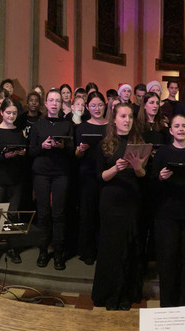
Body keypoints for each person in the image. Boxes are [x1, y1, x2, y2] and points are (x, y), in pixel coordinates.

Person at [92, 102, 149, 311]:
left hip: (132, 199)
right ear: (114, 119)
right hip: (110, 200)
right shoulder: (105, 145)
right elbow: (100, 177)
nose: (127, 120)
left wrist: (137, 168)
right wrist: (115, 168)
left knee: (129, 246)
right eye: (123, 116)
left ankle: (126, 293)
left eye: (130, 117)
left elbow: (144, 176)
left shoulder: (139, 142)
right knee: (111, 247)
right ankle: (109, 294)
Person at [151, 114, 185, 307]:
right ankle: (168, 303)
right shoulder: (163, 153)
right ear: (171, 130)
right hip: (166, 215)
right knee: (167, 260)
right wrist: (159, 177)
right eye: (177, 126)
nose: (181, 129)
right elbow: (151, 184)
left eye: (184, 126)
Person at [29, 89, 74, 270]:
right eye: (51, 100)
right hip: (41, 173)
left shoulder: (67, 125)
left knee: (59, 214)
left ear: (61, 104)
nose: (54, 103)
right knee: (43, 214)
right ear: (46, 104)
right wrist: (42, 146)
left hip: (61, 173)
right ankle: (42, 252)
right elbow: (31, 152)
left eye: (57, 101)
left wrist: (62, 146)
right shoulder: (38, 126)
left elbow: (72, 153)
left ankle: (57, 254)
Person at [0, 98, 28, 263]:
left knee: (12, 214)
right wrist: (4, 156)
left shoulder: (21, 132)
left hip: (15, 178)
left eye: (14, 113)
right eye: (8, 112)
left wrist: (22, 154)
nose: (11, 115)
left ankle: (11, 246)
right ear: (1, 113)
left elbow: (26, 156)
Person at [73, 91, 108, 265]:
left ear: (105, 105)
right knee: (88, 212)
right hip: (87, 172)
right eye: (93, 105)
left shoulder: (110, 126)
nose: (97, 108)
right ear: (87, 107)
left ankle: (103, 249)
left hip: (107, 173)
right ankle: (88, 251)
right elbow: (76, 155)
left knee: (104, 213)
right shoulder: (82, 126)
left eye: (100, 105)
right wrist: (81, 150)